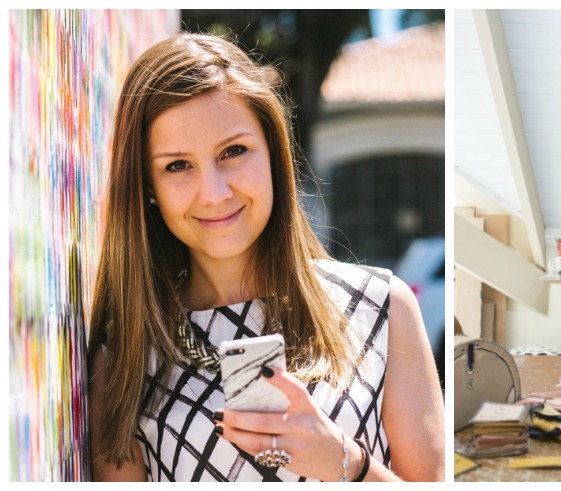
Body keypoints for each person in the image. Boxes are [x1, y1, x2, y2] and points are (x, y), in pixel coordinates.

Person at [87, 33, 444, 482]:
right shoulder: (127, 355)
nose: (214, 193)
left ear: (272, 155)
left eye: (233, 151)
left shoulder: (382, 307)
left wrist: (343, 462)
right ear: (148, 188)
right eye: (177, 165)